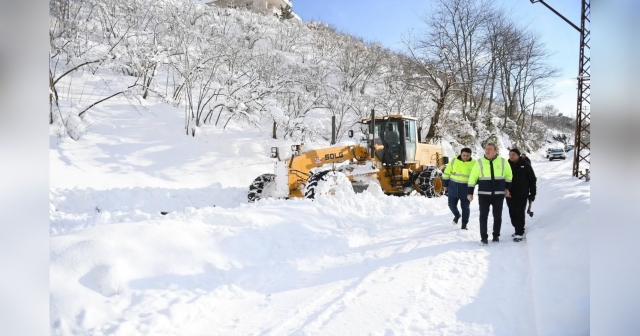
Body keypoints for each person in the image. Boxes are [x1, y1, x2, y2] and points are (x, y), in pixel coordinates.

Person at [467, 143, 513, 245]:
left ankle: (496, 236)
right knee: (483, 216)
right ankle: (484, 237)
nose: (487, 151)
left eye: (490, 149)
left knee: (497, 216)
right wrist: (470, 192)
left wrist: (507, 189)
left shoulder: (502, 162)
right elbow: (472, 177)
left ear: (495, 151)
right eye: (486, 149)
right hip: (484, 195)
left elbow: (509, 175)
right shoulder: (479, 162)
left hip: (498, 194)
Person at [506, 148, 537, 242]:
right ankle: (517, 228)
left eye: (513, 154)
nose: (511, 156)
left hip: (522, 194)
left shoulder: (526, 166)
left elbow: (532, 180)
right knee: (512, 213)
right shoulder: (506, 166)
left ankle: (519, 232)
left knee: (520, 212)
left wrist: (533, 193)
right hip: (509, 194)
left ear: (518, 155)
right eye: (510, 154)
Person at [442, 148, 476, 230]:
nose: (465, 157)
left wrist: (473, 185)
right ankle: (457, 215)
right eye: (464, 155)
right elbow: (446, 173)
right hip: (453, 187)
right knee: (451, 205)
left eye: (467, 156)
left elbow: (476, 176)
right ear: (461, 154)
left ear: (470, 155)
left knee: (465, 207)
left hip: (466, 189)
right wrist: (445, 185)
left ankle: (464, 224)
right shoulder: (454, 161)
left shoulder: (474, 163)